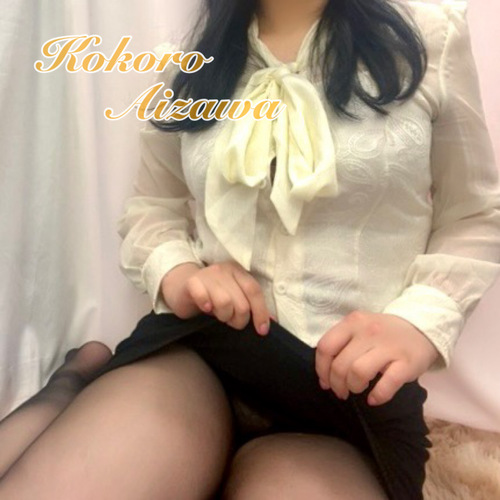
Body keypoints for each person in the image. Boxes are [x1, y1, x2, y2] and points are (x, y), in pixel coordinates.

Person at [1, 0, 499, 498]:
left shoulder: (429, 39)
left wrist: (421, 321)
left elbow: (474, 212)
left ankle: (72, 385)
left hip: (348, 391)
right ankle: (74, 384)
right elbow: (153, 206)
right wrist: (181, 275)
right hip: (204, 349)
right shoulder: (190, 63)